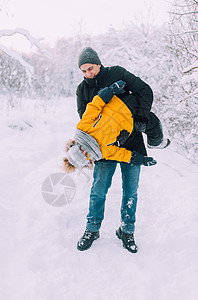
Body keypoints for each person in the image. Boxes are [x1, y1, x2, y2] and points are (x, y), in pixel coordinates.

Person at [73, 47, 170, 253]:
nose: (88, 74)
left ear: (99, 64)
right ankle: (92, 229)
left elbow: (145, 90)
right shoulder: (82, 90)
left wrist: (139, 120)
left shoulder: (117, 73)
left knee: (131, 191)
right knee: (98, 191)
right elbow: (86, 117)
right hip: (102, 148)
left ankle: (126, 230)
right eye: (83, 71)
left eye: (90, 68)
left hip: (131, 142)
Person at [64, 80, 157, 172]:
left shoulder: (83, 128)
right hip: (132, 117)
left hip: (120, 102)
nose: (85, 151)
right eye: (85, 155)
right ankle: (157, 141)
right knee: (152, 118)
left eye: (81, 150)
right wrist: (142, 160)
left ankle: (158, 141)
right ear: (87, 160)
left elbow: (94, 107)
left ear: (76, 145)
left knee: (144, 90)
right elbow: (122, 155)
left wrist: (110, 90)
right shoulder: (102, 152)